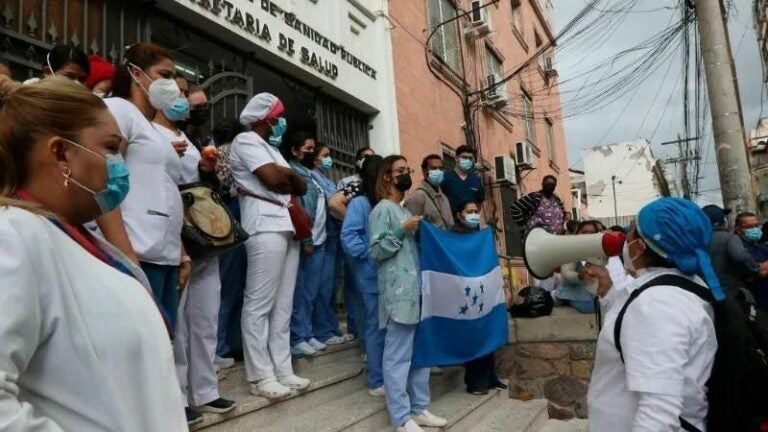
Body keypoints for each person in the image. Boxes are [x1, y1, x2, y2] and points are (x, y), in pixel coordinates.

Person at [0, 76, 186, 430]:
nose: (119, 164)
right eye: (111, 148)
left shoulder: (80, 240)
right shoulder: (13, 235)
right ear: (61, 153)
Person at [585, 197, 720, 431]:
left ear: (640, 247)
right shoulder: (676, 288)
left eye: (630, 232)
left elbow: (659, 415)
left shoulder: (658, 303)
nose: (625, 240)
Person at [153, 77, 235, 421]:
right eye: (183, 94)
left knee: (204, 317)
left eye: (187, 95)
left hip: (205, 236)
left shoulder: (190, 137)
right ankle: (179, 395)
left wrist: (206, 169)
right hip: (175, 235)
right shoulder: (150, 134)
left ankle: (206, 389)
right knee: (177, 321)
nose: (186, 101)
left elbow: (205, 188)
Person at [95, 43, 188, 334]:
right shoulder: (119, 109)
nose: (171, 85)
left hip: (163, 256)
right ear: (135, 73)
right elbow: (104, 183)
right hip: (136, 254)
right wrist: (126, 258)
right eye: (164, 74)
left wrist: (181, 253)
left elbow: (164, 189)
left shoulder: (150, 127)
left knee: (161, 344)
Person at [230, 92, 311, 399]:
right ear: (267, 118)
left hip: (287, 226)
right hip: (263, 225)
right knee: (259, 304)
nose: (282, 122)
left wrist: (287, 174)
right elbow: (273, 180)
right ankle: (260, 375)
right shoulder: (246, 141)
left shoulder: (273, 150)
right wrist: (287, 176)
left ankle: (283, 369)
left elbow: (299, 185)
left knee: (283, 305)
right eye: (278, 116)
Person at [369, 155, 447, 432]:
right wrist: (402, 231)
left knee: (420, 356)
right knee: (397, 358)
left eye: (407, 170)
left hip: (415, 293)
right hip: (397, 294)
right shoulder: (382, 210)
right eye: (400, 170)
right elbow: (376, 251)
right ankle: (401, 418)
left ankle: (419, 408)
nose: (405, 174)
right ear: (387, 176)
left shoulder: (403, 211)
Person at [341, 155, 387, 397]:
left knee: (388, 326)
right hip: (370, 273)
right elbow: (349, 236)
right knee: (375, 325)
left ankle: (387, 374)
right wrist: (369, 256)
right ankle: (376, 379)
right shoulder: (360, 203)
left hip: (389, 274)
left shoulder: (386, 203)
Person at [451, 201, 507, 395]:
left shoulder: (480, 235)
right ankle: (475, 381)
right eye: (469, 212)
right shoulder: (454, 236)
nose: (474, 215)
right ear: (459, 215)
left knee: (486, 331)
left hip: (483, 290)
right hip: (466, 293)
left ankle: (490, 377)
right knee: (473, 335)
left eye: (476, 211)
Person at [284, 132, 330, 357]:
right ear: (295, 151)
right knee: (299, 290)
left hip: (321, 240)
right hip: (307, 240)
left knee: (311, 291)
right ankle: (296, 336)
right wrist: (307, 238)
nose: (312, 153)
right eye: (308, 149)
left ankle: (307, 332)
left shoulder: (313, 176)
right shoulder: (294, 173)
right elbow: (300, 209)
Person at [311, 144, 356, 345]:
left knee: (332, 285)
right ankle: (322, 331)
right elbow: (333, 204)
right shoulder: (313, 177)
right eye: (325, 155)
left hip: (335, 237)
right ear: (315, 159)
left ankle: (332, 327)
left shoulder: (328, 181)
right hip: (323, 236)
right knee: (323, 285)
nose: (330, 159)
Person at [214, 119, 248, 364]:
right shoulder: (229, 152)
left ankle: (228, 343)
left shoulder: (216, 152)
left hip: (231, 218)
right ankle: (224, 344)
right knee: (231, 287)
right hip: (233, 217)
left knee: (232, 286)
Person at [703, 205, 768, 298]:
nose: (755, 229)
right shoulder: (733, 242)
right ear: (738, 229)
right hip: (742, 295)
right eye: (749, 227)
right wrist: (757, 268)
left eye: (756, 226)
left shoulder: (761, 246)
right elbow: (760, 270)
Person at [553, 220, 605, 314]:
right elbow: (566, 273)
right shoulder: (571, 250)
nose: (587, 235)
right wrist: (579, 276)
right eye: (584, 232)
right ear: (577, 234)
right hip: (577, 294)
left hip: (597, 295)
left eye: (591, 232)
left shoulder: (601, 250)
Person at [404, 154, 454, 230]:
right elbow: (410, 229)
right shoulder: (418, 196)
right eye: (434, 168)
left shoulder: (444, 198)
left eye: (441, 168)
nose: (438, 171)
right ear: (424, 171)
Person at [328, 146, 376, 219]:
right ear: (358, 162)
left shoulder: (374, 183)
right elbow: (336, 205)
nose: (370, 160)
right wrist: (352, 220)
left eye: (372, 157)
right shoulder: (347, 182)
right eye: (366, 157)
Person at [441, 145, 485, 219]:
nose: (467, 160)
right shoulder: (445, 177)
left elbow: (479, 203)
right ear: (456, 158)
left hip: (471, 226)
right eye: (464, 157)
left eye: (470, 158)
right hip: (450, 225)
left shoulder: (476, 180)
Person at [25, 44, 89, 84]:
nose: (77, 84)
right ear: (48, 72)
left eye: (81, 80)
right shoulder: (24, 100)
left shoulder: (88, 104)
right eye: (69, 77)